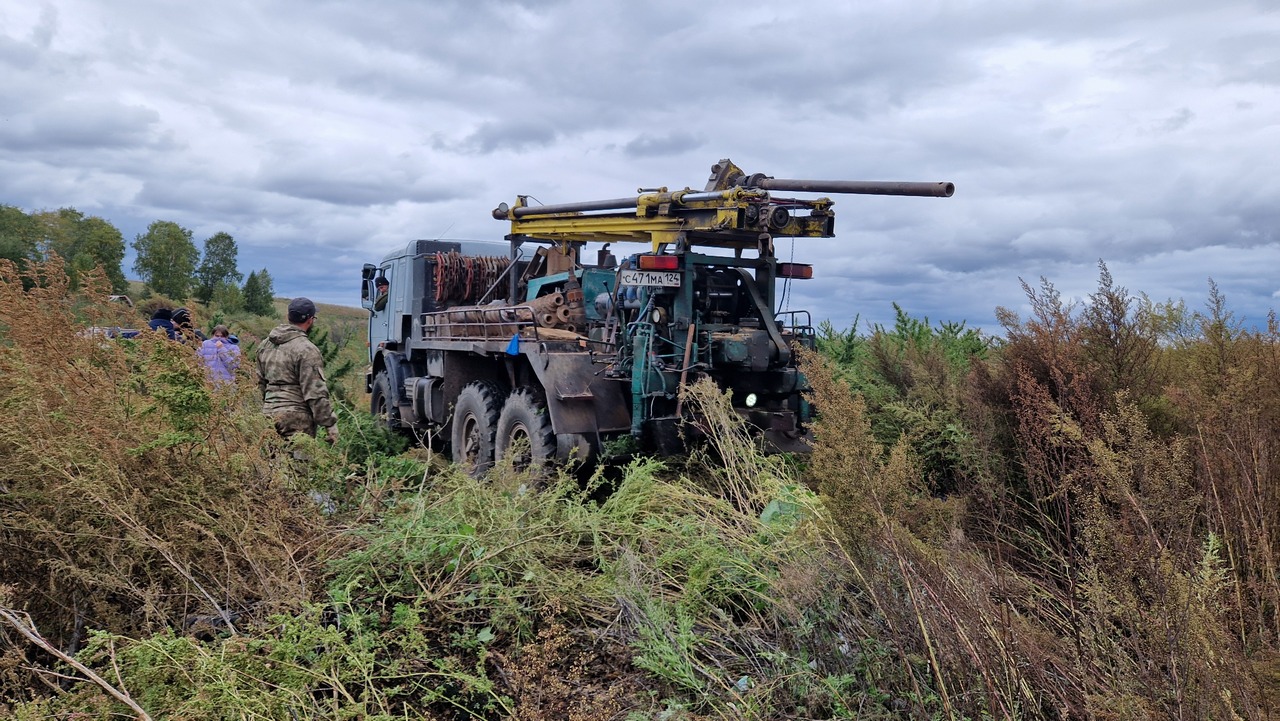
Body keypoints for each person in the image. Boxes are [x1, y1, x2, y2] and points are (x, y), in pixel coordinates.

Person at [257, 297, 338, 444]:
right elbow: (315, 392)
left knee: (272, 463)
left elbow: (260, 383)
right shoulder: (307, 350)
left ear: (288, 316)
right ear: (310, 320)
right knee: (298, 465)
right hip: (296, 419)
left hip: (267, 415)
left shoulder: (265, 345)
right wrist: (329, 424)